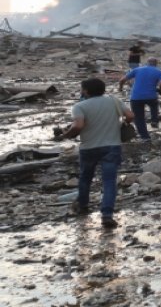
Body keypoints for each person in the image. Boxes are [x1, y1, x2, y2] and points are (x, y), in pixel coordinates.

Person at [58, 77, 133, 228]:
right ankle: (107, 215)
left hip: (89, 147)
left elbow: (78, 126)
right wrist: (122, 124)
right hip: (112, 146)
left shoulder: (80, 106)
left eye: (82, 89)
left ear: (85, 90)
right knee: (109, 181)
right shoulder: (114, 101)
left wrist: (66, 135)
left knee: (86, 178)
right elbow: (130, 116)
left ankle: (83, 206)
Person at [118, 57, 161, 140]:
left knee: (139, 118)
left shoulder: (137, 70)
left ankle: (145, 137)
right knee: (154, 105)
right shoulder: (160, 72)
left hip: (136, 97)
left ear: (147, 63)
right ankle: (154, 120)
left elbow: (122, 80)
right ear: (156, 63)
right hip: (151, 97)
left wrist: (120, 88)